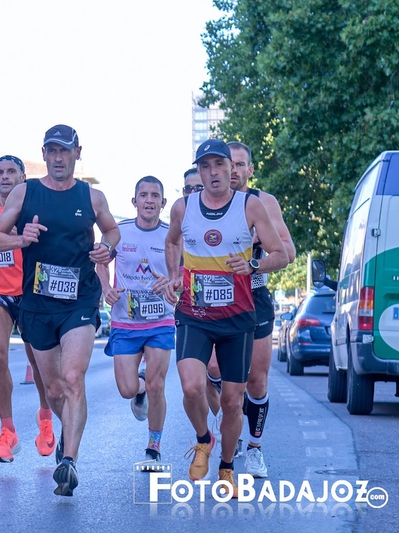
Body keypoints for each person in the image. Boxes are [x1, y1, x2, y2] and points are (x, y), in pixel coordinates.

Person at [0, 124, 120, 497]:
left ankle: (69, 462)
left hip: (79, 300)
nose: (59, 157)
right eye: (52, 151)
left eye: (65, 151)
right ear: (43, 154)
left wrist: (105, 249)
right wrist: (20, 239)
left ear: (78, 153)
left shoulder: (92, 197)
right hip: (38, 304)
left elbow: (112, 232)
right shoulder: (24, 192)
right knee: (55, 389)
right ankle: (66, 437)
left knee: (73, 378)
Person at [164, 139, 288, 498]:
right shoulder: (183, 207)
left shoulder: (251, 205)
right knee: (190, 386)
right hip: (194, 313)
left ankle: (227, 465)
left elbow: (280, 254)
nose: (214, 172)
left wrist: (252, 264)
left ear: (232, 170)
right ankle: (204, 439)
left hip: (238, 318)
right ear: (199, 172)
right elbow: (172, 243)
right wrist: (175, 274)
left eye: (220, 165)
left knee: (234, 401)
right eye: (206, 167)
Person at [0, 154, 55, 464]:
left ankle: (45, 418)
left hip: (30, 292)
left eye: (11, 172)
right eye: (0, 173)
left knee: (40, 364)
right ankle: (8, 432)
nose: (5, 177)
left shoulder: (31, 208)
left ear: (22, 178)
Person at [227, 141, 296, 477]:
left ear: (250, 170)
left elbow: (288, 252)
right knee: (221, 375)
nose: (235, 170)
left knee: (256, 379)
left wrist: (254, 261)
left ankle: (254, 448)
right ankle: (231, 420)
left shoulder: (263, 202)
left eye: (241, 164)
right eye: (230, 164)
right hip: (215, 301)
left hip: (253, 296)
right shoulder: (202, 204)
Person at [96, 176, 176, 463]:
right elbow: (100, 261)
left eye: (155, 195)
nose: (149, 200)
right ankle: (138, 388)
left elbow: (181, 275)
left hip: (160, 320)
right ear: (135, 201)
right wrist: (106, 288)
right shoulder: (120, 232)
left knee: (158, 384)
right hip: (125, 321)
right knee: (126, 388)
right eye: (144, 195)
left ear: (163, 203)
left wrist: (170, 282)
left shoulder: (171, 236)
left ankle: (153, 446)